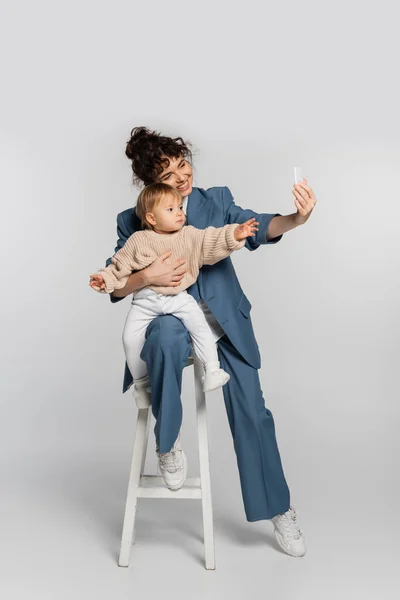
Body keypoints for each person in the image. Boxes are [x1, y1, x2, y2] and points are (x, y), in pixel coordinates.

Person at [106, 126, 317, 558]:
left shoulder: (214, 200)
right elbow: (115, 283)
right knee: (163, 336)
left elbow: (256, 228)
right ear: (150, 184)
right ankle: (168, 444)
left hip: (224, 327)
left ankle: (278, 509)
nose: (182, 178)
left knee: (254, 415)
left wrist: (296, 219)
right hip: (172, 321)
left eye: (183, 165)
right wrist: (146, 277)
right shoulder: (133, 221)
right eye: (168, 173)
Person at [89, 182, 258, 395]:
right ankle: (142, 385)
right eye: (171, 210)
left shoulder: (189, 236)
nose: (179, 213)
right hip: (145, 301)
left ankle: (213, 370)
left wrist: (234, 234)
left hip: (178, 297)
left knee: (199, 326)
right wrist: (104, 280)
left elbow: (212, 239)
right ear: (151, 218)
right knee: (130, 338)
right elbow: (119, 266)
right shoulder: (138, 240)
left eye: (180, 208)